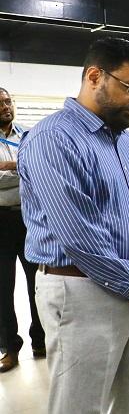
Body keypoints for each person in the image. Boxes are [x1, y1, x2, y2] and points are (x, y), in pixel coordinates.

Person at [20, 37, 129, 413]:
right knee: (80, 404)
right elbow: (78, 235)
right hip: (81, 289)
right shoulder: (52, 139)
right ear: (94, 76)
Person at [0, 88, 45, 373]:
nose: (6, 107)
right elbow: (29, 173)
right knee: (3, 287)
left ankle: (41, 340)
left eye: (8, 101)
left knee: (37, 284)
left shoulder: (29, 135)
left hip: (30, 219)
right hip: (0, 220)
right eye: (0, 104)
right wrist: (24, 171)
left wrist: (12, 166)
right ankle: (9, 348)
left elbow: (41, 171)